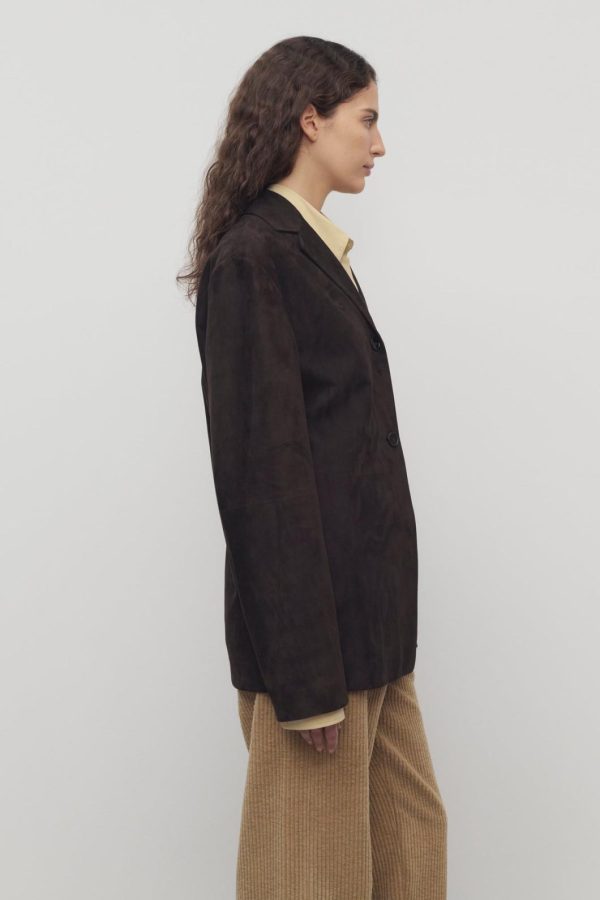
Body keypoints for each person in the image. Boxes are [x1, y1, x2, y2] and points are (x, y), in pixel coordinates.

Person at [178, 35, 447, 900]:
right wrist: (305, 684)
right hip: (318, 648)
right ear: (309, 121)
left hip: (371, 631)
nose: (379, 143)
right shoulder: (255, 257)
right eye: (366, 120)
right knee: (310, 876)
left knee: (412, 843)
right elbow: (263, 479)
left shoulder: (315, 250)